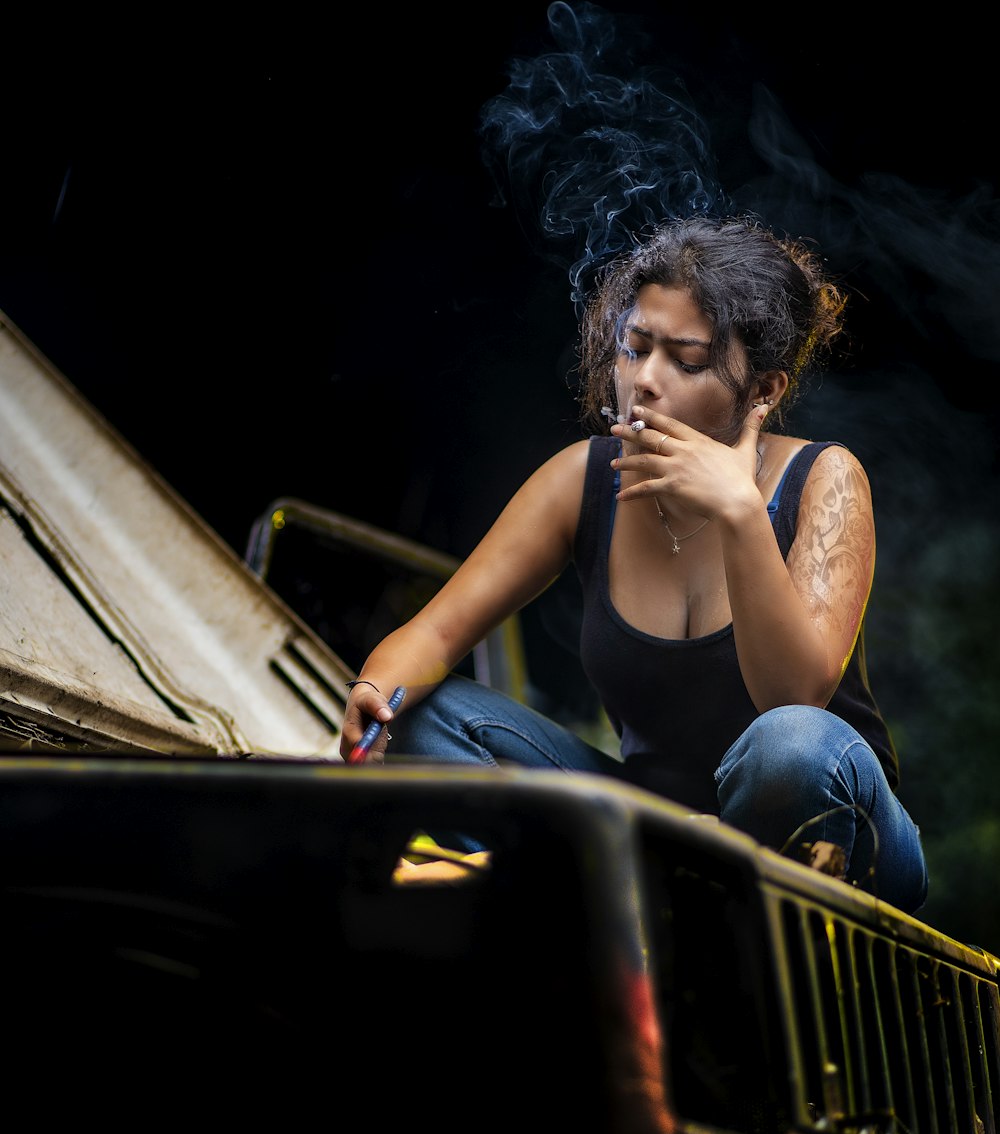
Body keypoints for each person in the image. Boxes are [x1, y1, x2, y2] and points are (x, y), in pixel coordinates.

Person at [338, 213, 928, 913]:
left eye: (685, 360)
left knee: (790, 745)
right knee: (426, 711)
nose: (643, 381)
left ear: (764, 391)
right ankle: (582, 899)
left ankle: (637, 901)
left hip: (835, 828)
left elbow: (793, 696)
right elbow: (435, 637)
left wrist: (741, 511)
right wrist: (378, 692)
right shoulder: (580, 481)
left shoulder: (826, 478)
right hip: (657, 831)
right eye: (633, 347)